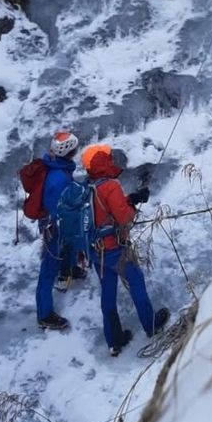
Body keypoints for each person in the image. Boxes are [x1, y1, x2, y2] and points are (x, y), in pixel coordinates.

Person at [81, 144, 170, 356]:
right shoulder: (110, 186)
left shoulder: (87, 187)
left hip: (96, 252)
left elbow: (104, 212)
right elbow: (125, 218)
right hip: (115, 250)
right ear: (103, 163)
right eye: (109, 158)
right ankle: (151, 326)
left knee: (108, 294)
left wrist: (132, 199)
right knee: (136, 283)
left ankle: (114, 340)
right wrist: (132, 206)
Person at [36, 131, 81, 330]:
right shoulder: (59, 178)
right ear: (70, 152)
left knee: (69, 245)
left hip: (54, 223)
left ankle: (71, 268)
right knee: (48, 270)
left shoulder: (57, 167)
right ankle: (44, 315)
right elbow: (58, 208)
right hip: (53, 226)